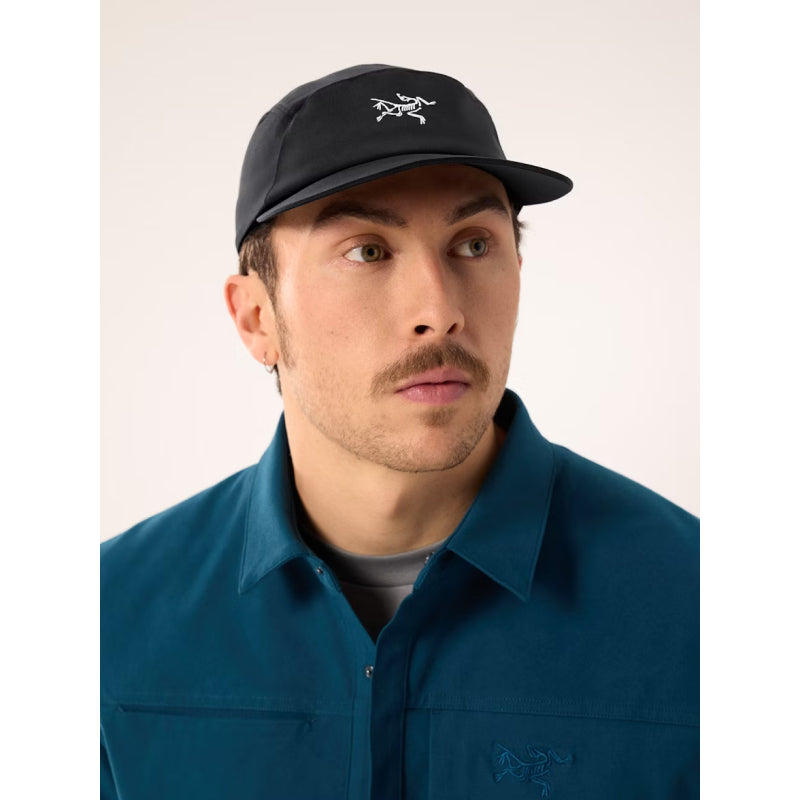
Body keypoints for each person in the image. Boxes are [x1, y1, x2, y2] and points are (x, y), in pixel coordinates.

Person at [101, 64, 699, 799]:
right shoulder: (105, 622)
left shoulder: (703, 609)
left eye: (473, 245)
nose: (438, 311)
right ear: (257, 319)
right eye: (368, 251)